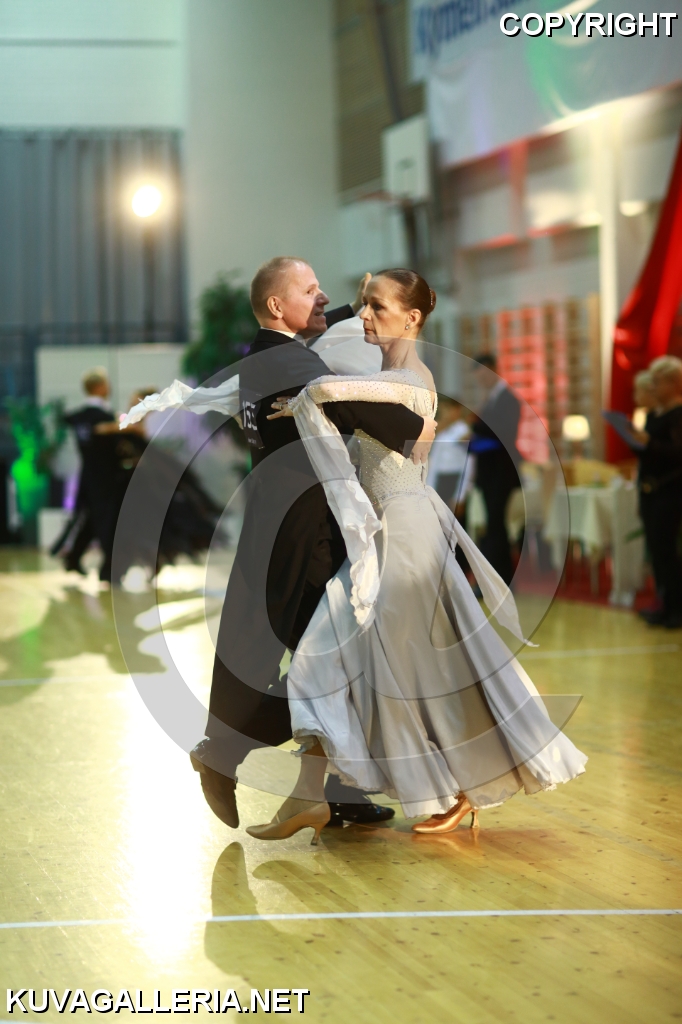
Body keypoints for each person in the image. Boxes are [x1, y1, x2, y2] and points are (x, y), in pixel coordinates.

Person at [246, 269, 586, 844]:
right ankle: (311, 795)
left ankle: (452, 786)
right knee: (338, 663)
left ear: (412, 318)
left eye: (377, 306)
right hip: (383, 536)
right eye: (363, 304)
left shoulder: (406, 381)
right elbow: (338, 401)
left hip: (403, 539)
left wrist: (301, 398)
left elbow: (332, 394)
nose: (364, 315)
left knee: (399, 669)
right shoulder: (384, 379)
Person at [169, 258, 437, 830]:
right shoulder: (293, 363)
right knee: (337, 663)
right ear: (276, 306)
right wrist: (415, 421)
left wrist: (358, 309)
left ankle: (336, 789)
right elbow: (353, 407)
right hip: (304, 532)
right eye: (310, 290)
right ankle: (226, 750)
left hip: (283, 523)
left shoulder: (266, 354)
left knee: (330, 658)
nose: (323, 298)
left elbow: (323, 327)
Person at [55, 368, 119, 580]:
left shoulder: (78, 417)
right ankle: (108, 570)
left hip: (86, 478)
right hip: (105, 480)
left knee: (91, 520)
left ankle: (73, 558)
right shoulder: (105, 418)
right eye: (106, 383)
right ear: (99, 387)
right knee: (108, 521)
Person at [634, 356, 682, 630]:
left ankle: (676, 608)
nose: (653, 387)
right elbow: (648, 456)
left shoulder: (678, 415)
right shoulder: (654, 415)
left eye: (658, 382)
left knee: (667, 551)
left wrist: (649, 443)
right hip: (650, 490)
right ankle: (664, 604)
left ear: (673, 383)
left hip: (670, 492)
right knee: (656, 551)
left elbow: (677, 454)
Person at [469, 354, 522, 585]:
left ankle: (500, 581)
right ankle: (497, 580)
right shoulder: (491, 399)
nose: (480, 381)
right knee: (493, 525)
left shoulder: (508, 399)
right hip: (488, 472)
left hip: (501, 471)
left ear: (491, 370)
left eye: (482, 375)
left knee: (496, 526)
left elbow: (504, 434)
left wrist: (474, 429)